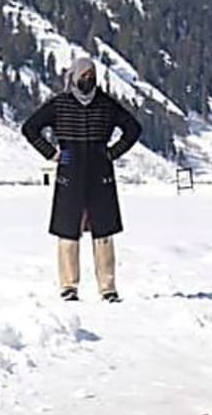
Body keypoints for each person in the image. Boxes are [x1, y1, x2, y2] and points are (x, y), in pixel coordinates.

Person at [21, 56, 142, 302]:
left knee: (104, 232)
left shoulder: (106, 104)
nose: (88, 81)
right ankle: (68, 286)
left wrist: (112, 153)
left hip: (100, 171)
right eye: (84, 76)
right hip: (70, 170)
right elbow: (30, 128)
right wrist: (52, 153)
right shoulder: (59, 104)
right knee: (67, 231)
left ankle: (108, 288)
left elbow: (133, 129)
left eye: (92, 76)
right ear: (74, 77)